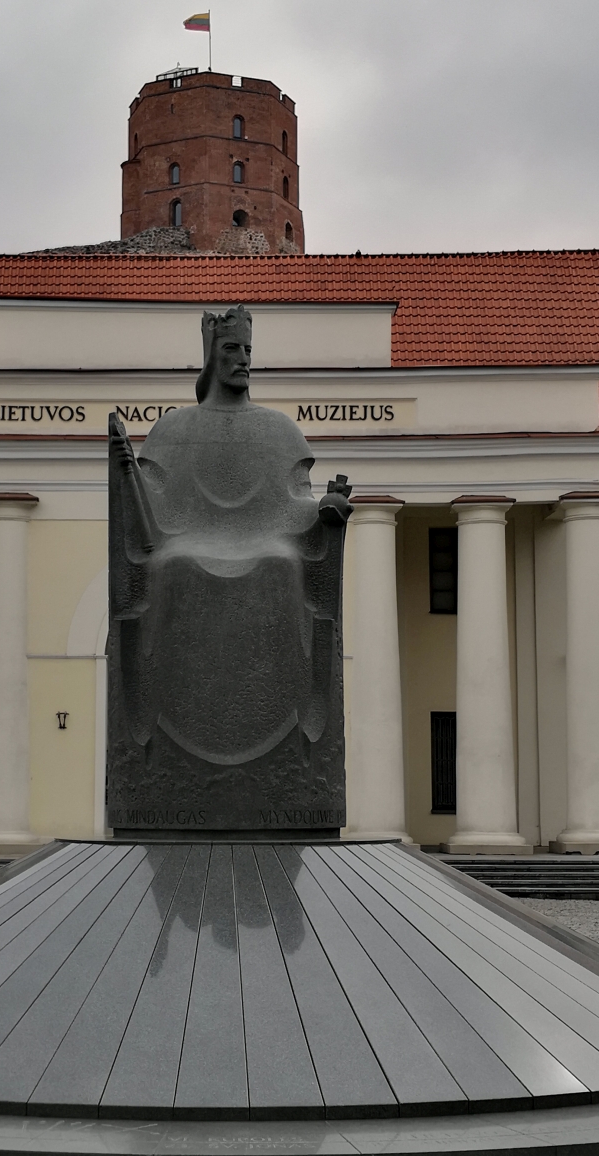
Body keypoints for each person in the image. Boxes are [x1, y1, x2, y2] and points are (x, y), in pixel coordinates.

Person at [107, 305, 351, 832]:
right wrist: (127, 477)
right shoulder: (172, 430)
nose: (243, 360)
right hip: (182, 546)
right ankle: (174, 740)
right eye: (231, 350)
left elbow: (295, 509)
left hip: (271, 547)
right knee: (175, 566)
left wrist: (326, 510)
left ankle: (282, 743)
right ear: (210, 358)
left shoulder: (279, 431)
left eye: (247, 351)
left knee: (280, 564)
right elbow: (154, 513)